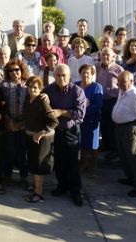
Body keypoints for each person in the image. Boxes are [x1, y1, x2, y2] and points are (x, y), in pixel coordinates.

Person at [44, 64, 86, 206]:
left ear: (69, 76)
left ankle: (76, 192)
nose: (61, 78)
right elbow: (41, 101)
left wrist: (61, 112)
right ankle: (62, 186)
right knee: (59, 161)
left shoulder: (77, 91)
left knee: (73, 163)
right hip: (55, 131)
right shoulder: (49, 89)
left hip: (71, 131)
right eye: (58, 75)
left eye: (64, 75)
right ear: (54, 76)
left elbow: (80, 113)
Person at [111, 70, 136, 198]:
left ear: (131, 82)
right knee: (124, 155)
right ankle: (131, 178)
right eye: (119, 81)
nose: (120, 84)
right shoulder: (122, 91)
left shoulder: (135, 95)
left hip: (130, 128)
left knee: (134, 158)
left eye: (123, 81)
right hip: (120, 128)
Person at [22, 76, 58, 203]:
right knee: (32, 162)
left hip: (43, 139)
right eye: (30, 87)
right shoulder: (27, 99)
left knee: (39, 165)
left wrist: (41, 133)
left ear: (41, 89)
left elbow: (54, 121)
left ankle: (38, 192)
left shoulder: (43, 101)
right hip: (31, 136)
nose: (32, 89)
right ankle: (36, 186)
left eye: (36, 87)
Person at [0, 59, 29, 187]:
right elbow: (0, 104)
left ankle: (24, 177)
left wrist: (23, 122)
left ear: (21, 70)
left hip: (23, 124)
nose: (14, 73)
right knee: (9, 150)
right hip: (9, 124)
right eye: (11, 71)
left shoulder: (28, 84)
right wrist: (8, 120)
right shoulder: (3, 85)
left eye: (17, 70)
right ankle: (7, 175)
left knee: (22, 152)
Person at [96, 48, 124, 157]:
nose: (105, 57)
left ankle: (114, 149)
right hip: (100, 100)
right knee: (103, 124)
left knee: (113, 125)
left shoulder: (118, 69)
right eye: (103, 54)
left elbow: (123, 86)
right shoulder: (97, 67)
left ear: (113, 57)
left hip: (113, 100)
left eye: (108, 55)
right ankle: (105, 145)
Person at [76, 64, 103, 177]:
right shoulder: (76, 85)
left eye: (88, 73)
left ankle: (93, 168)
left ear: (92, 74)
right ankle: (83, 164)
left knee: (93, 145)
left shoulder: (97, 87)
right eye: (83, 72)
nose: (85, 75)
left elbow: (98, 105)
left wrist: (82, 112)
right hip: (79, 120)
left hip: (92, 119)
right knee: (81, 143)